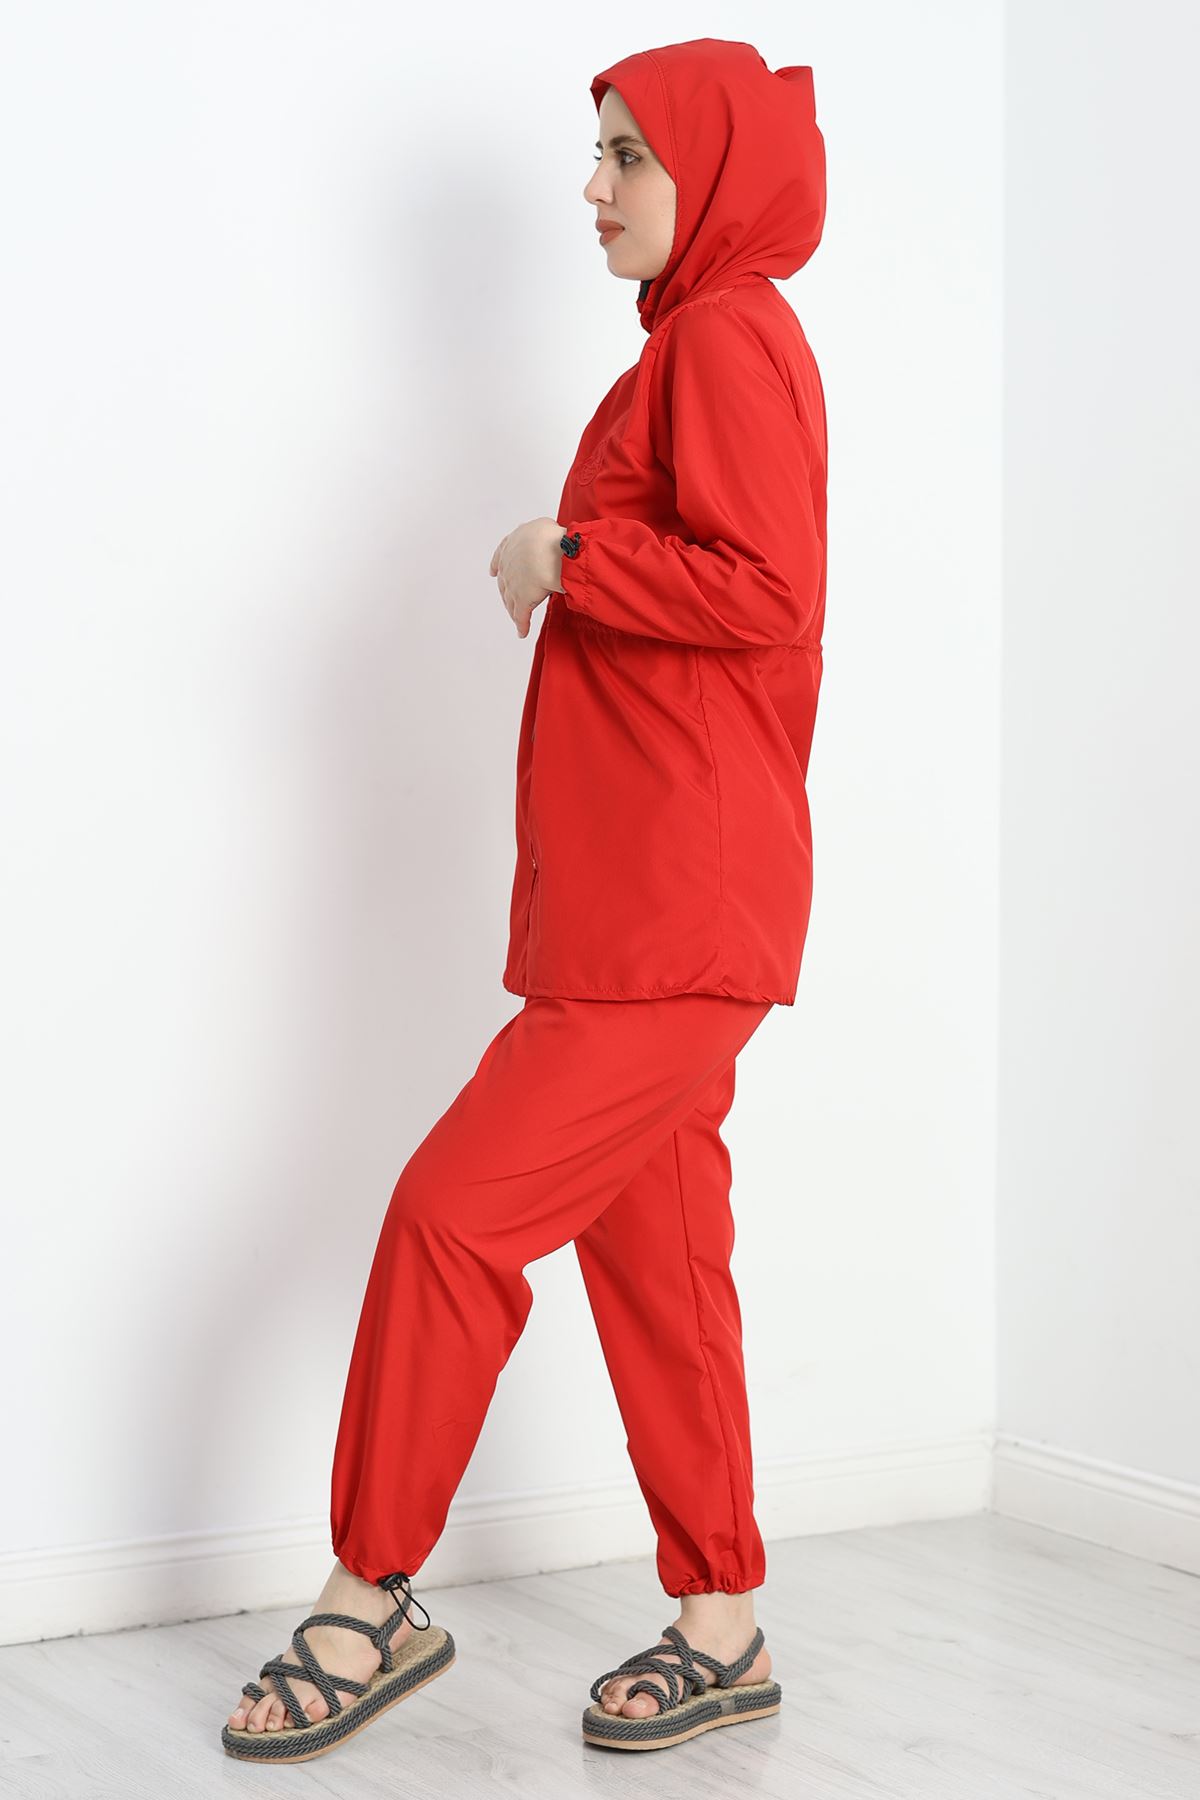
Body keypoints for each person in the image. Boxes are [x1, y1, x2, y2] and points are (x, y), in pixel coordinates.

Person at [222, 35, 826, 1762]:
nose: (596, 185)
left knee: (451, 1216)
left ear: (710, 174)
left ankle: (369, 1596)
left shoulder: (724, 337)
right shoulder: (692, 346)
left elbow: (767, 586)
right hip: (647, 915)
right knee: (662, 1266)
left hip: (676, 920)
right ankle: (723, 1627)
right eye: (598, 152)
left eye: (629, 155)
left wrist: (564, 554)